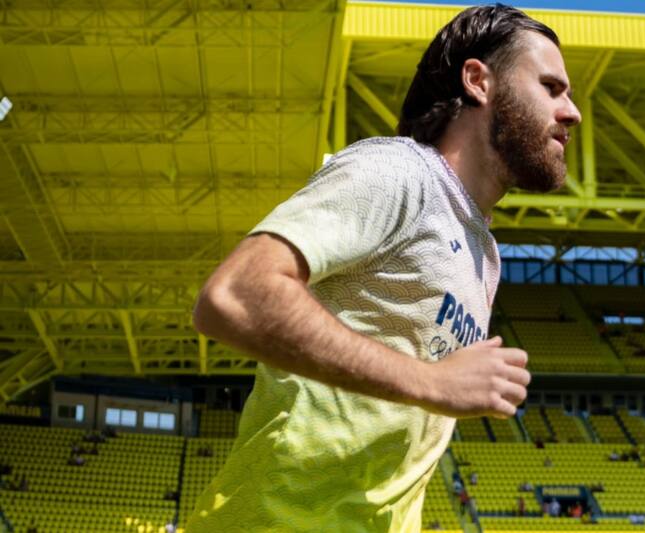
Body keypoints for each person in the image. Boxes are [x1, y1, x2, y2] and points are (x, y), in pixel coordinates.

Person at [186, 4, 580, 532]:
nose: (571, 111)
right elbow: (235, 294)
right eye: (552, 88)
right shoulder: (398, 173)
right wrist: (431, 381)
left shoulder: (484, 254)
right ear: (477, 81)